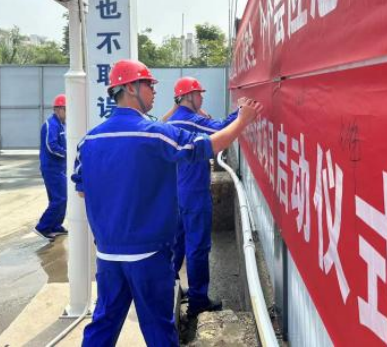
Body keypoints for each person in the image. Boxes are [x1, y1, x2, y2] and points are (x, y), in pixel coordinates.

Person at [73, 59, 262, 347]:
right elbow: (207, 146)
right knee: (159, 330)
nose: (154, 91)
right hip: (148, 255)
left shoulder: (88, 141)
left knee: (103, 325)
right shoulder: (154, 133)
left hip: (108, 256)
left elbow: (83, 192)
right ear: (130, 88)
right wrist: (243, 120)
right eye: (149, 84)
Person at [164, 76, 241, 316]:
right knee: (197, 246)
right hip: (194, 193)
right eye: (198, 93)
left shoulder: (171, 121)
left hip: (176, 193)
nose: (201, 98)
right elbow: (220, 129)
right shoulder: (192, 121)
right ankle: (198, 300)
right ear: (188, 96)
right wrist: (242, 112)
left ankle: (168, 289)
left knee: (176, 244)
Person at [35, 93, 68, 241]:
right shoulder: (51, 124)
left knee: (60, 198)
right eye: (67, 110)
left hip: (59, 167)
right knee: (59, 198)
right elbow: (51, 146)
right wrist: (68, 154)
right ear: (59, 109)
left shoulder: (61, 124)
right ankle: (43, 227)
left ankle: (55, 225)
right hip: (51, 168)